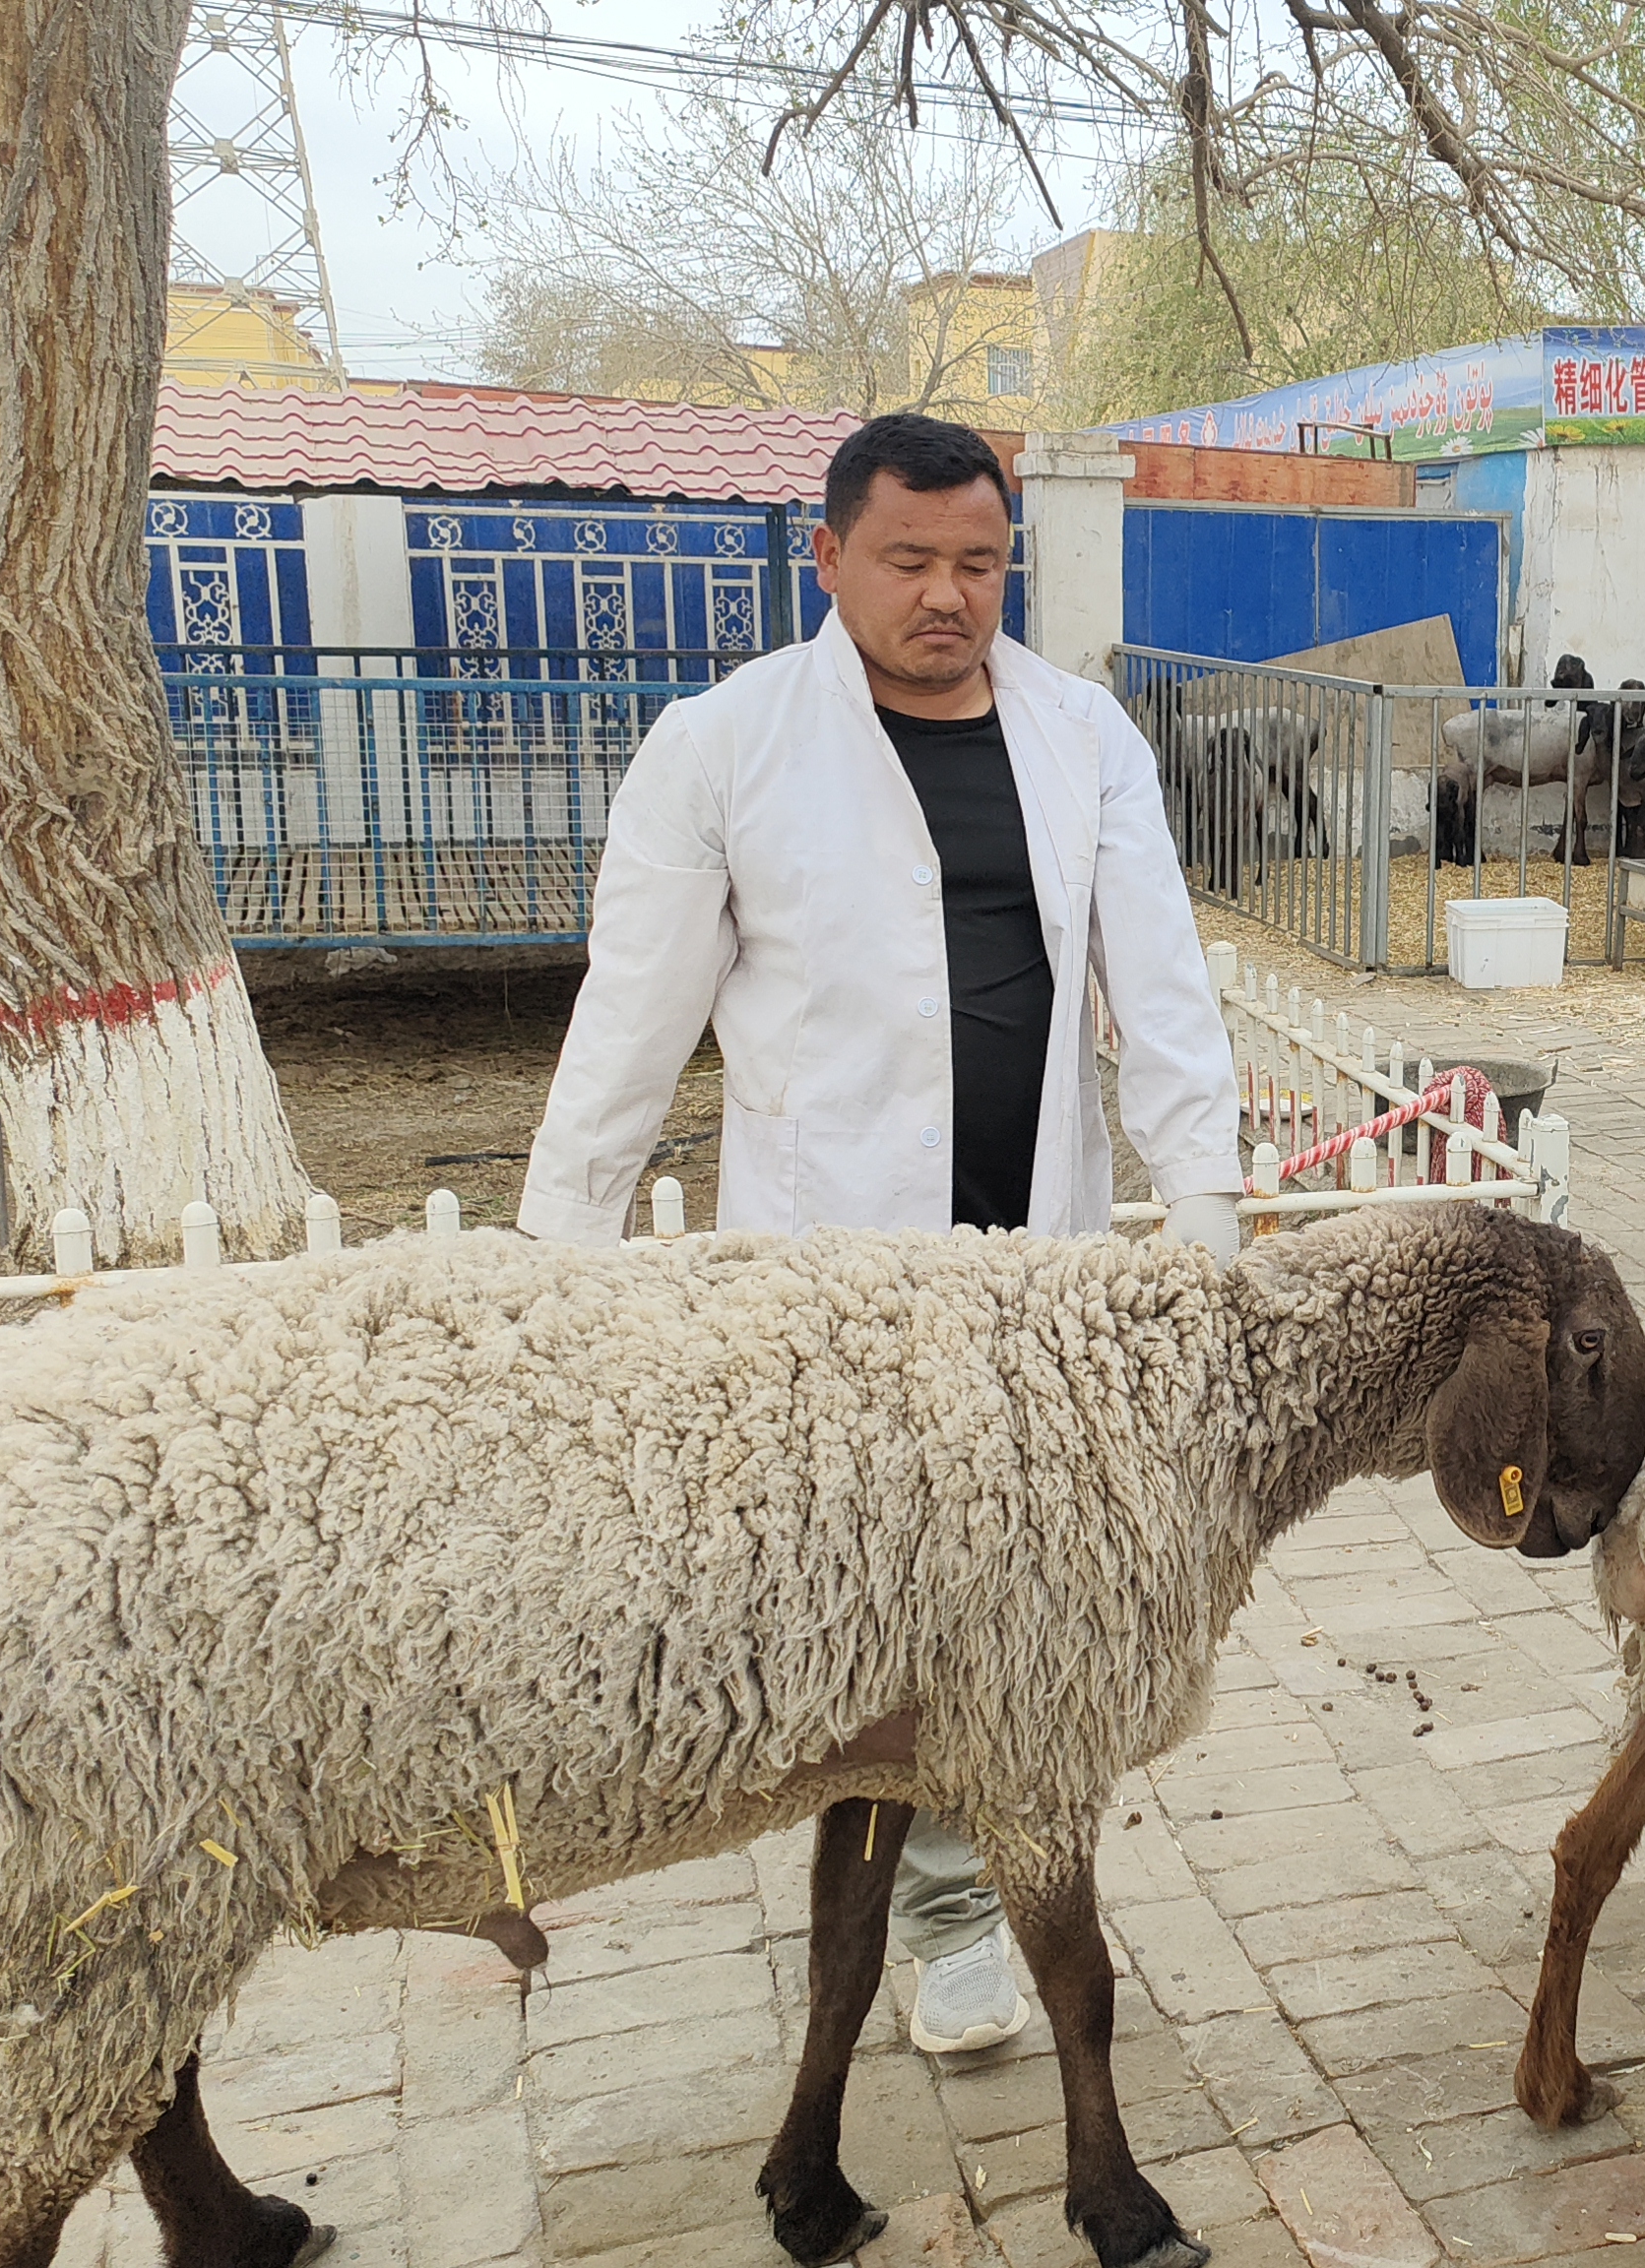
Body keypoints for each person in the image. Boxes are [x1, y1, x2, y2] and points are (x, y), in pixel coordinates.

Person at [519, 412, 1249, 2054]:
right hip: (829, 1277)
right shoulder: (722, 747)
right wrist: (553, 1272)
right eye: (910, 561)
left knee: (1020, 1596)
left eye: (980, 564)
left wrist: (1204, 1219)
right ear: (830, 557)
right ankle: (933, 1908)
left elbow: (1163, 991)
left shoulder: (1084, 739)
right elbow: (627, 1030)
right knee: (871, 1606)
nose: (947, 596)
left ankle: (978, 1891)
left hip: (1035, 1267)